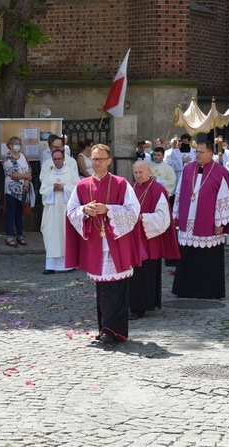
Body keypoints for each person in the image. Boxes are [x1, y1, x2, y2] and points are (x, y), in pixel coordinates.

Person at [65, 144, 144, 344]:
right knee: (102, 288)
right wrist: (84, 210)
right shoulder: (82, 185)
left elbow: (133, 212)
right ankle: (106, 328)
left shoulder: (121, 183)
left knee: (117, 287)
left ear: (109, 160)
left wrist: (108, 209)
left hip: (117, 242)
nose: (96, 163)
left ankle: (113, 330)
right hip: (96, 244)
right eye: (93, 159)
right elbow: (71, 211)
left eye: (100, 159)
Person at [172, 140, 229, 299]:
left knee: (206, 259)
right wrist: (177, 215)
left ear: (210, 153)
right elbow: (179, 192)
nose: (197, 155)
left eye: (200, 152)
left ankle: (207, 291)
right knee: (188, 256)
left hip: (208, 221)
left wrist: (220, 222)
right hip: (188, 220)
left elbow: (224, 199)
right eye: (196, 152)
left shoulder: (220, 172)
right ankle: (185, 290)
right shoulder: (188, 169)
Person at [129, 160, 179, 319]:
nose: (138, 175)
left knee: (146, 273)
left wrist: (142, 219)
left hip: (149, 238)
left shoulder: (157, 189)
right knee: (135, 274)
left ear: (149, 172)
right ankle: (140, 303)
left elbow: (164, 218)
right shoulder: (131, 188)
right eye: (135, 172)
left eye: (141, 172)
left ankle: (140, 307)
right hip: (133, 238)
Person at [40, 149, 79, 274]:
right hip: (52, 211)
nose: (57, 161)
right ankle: (51, 265)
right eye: (55, 159)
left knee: (65, 235)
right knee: (51, 235)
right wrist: (52, 189)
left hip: (66, 209)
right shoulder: (49, 175)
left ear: (63, 159)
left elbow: (78, 188)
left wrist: (64, 188)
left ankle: (68, 264)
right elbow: (43, 190)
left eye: (59, 159)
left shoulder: (71, 173)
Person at [3, 136, 33, 247]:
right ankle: (9, 236)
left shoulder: (23, 156)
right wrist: (26, 176)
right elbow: (12, 174)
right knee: (10, 212)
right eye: (15, 143)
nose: (18, 145)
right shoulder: (7, 157)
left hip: (23, 188)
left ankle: (20, 235)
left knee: (20, 213)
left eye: (19, 143)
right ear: (10, 145)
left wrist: (26, 180)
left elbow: (29, 168)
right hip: (11, 189)